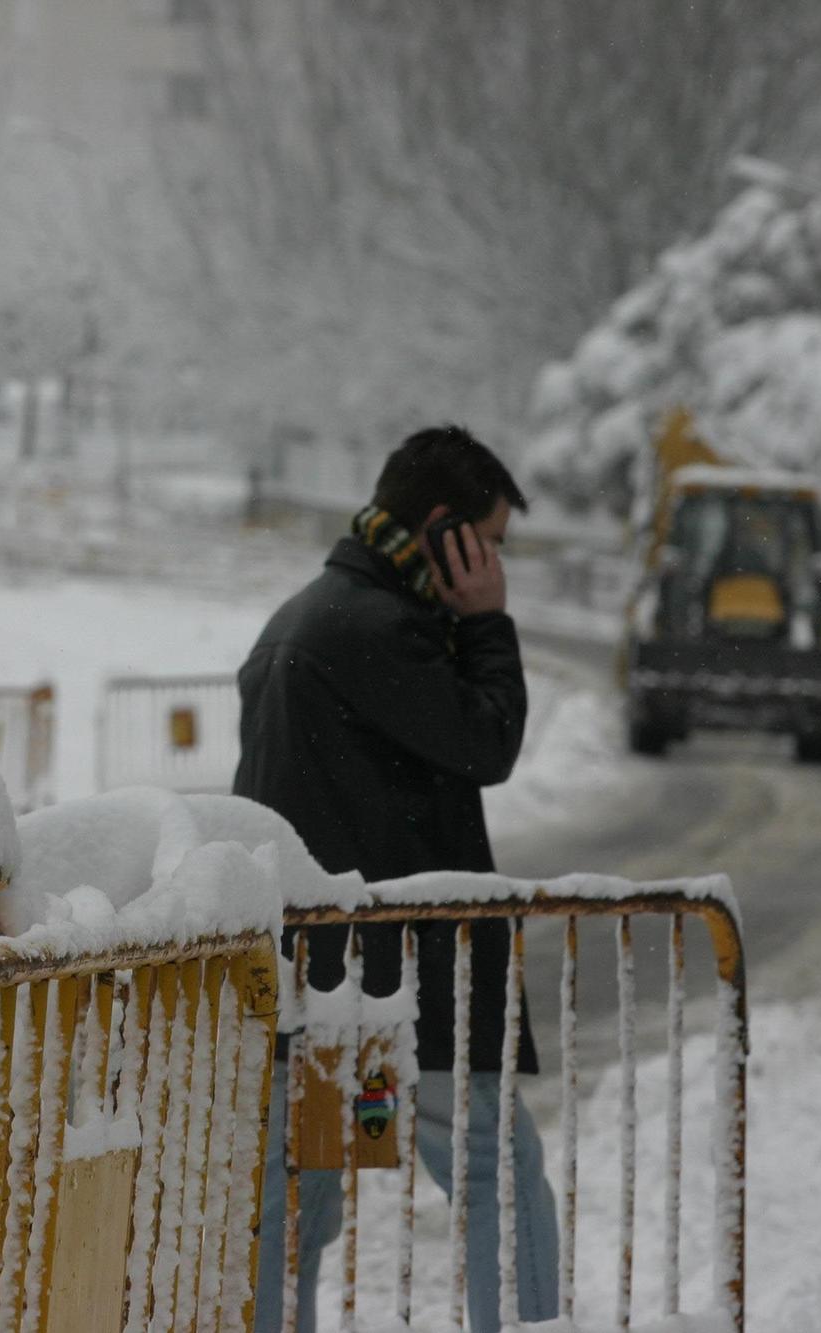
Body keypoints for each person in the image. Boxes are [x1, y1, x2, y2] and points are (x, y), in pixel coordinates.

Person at [234, 425, 558, 1333]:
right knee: (495, 1174)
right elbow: (488, 739)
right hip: (413, 978)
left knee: (298, 1196)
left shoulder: (303, 620)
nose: (495, 564)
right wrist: (487, 622)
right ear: (447, 530)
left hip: (317, 978)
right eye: (488, 542)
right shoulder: (379, 631)